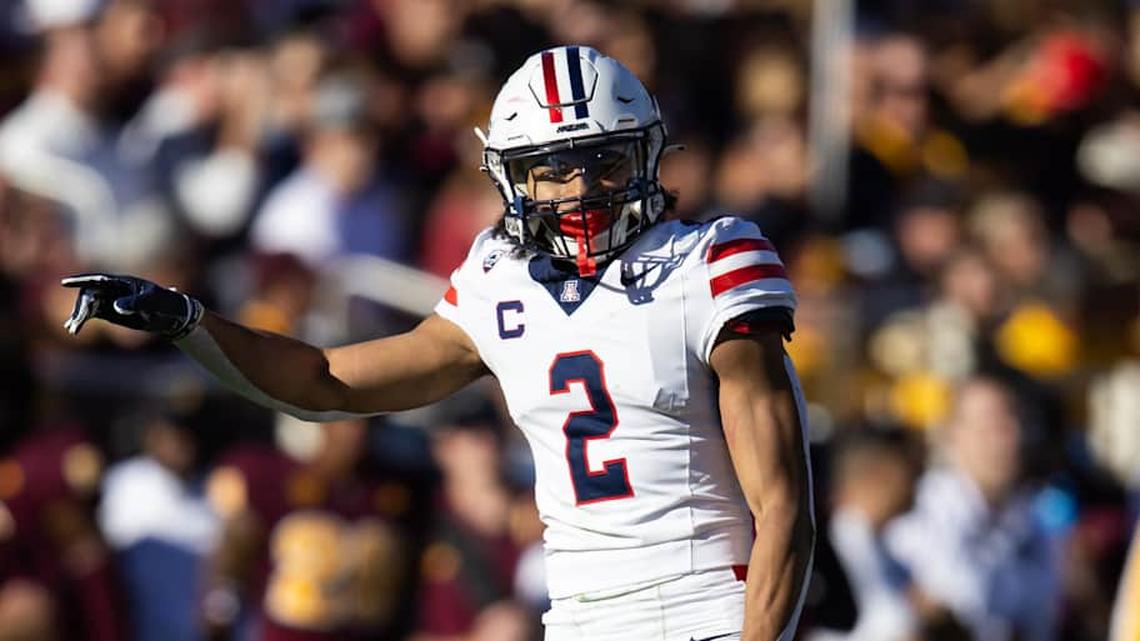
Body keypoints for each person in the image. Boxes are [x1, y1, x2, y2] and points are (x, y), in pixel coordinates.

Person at [60, 46, 815, 641]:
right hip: (578, 617)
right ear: (513, 180)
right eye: (553, 173)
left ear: (646, 156)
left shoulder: (712, 260)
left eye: (604, 163)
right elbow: (326, 379)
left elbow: (783, 504)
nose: (580, 192)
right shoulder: (499, 279)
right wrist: (191, 320)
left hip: (706, 608)